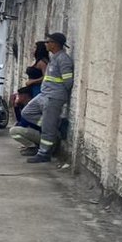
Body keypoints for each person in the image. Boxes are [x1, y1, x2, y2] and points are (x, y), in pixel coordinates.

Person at [21, 32, 74, 163]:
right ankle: (57, 123)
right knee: (27, 112)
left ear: (55, 44)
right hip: (44, 95)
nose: (46, 44)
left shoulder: (63, 59)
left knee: (47, 128)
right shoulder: (54, 58)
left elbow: (68, 82)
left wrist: (57, 92)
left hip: (53, 97)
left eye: (48, 41)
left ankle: (44, 153)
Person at [13, 41, 49, 122]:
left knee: (28, 105)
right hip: (31, 87)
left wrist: (33, 81)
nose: (33, 50)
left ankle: (27, 123)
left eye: (35, 48)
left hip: (37, 88)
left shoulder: (43, 62)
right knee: (16, 99)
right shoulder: (37, 61)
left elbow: (46, 77)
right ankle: (21, 121)